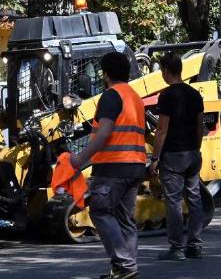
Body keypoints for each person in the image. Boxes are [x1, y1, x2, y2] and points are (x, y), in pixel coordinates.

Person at [70, 52, 146, 279]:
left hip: (113, 167)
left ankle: (124, 264)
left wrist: (79, 159)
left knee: (101, 212)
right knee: (125, 219)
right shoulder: (134, 97)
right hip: (135, 166)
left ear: (106, 73)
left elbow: (103, 133)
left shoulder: (111, 96)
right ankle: (125, 269)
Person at [149, 53, 207, 261]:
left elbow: (162, 129)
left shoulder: (167, 96)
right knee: (194, 199)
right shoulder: (195, 95)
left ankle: (176, 249)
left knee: (173, 202)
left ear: (165, 70)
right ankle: (195, 246)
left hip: (172, 156)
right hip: (192, 154)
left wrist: (155, 158)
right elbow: (200, 125)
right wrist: (196, 149)